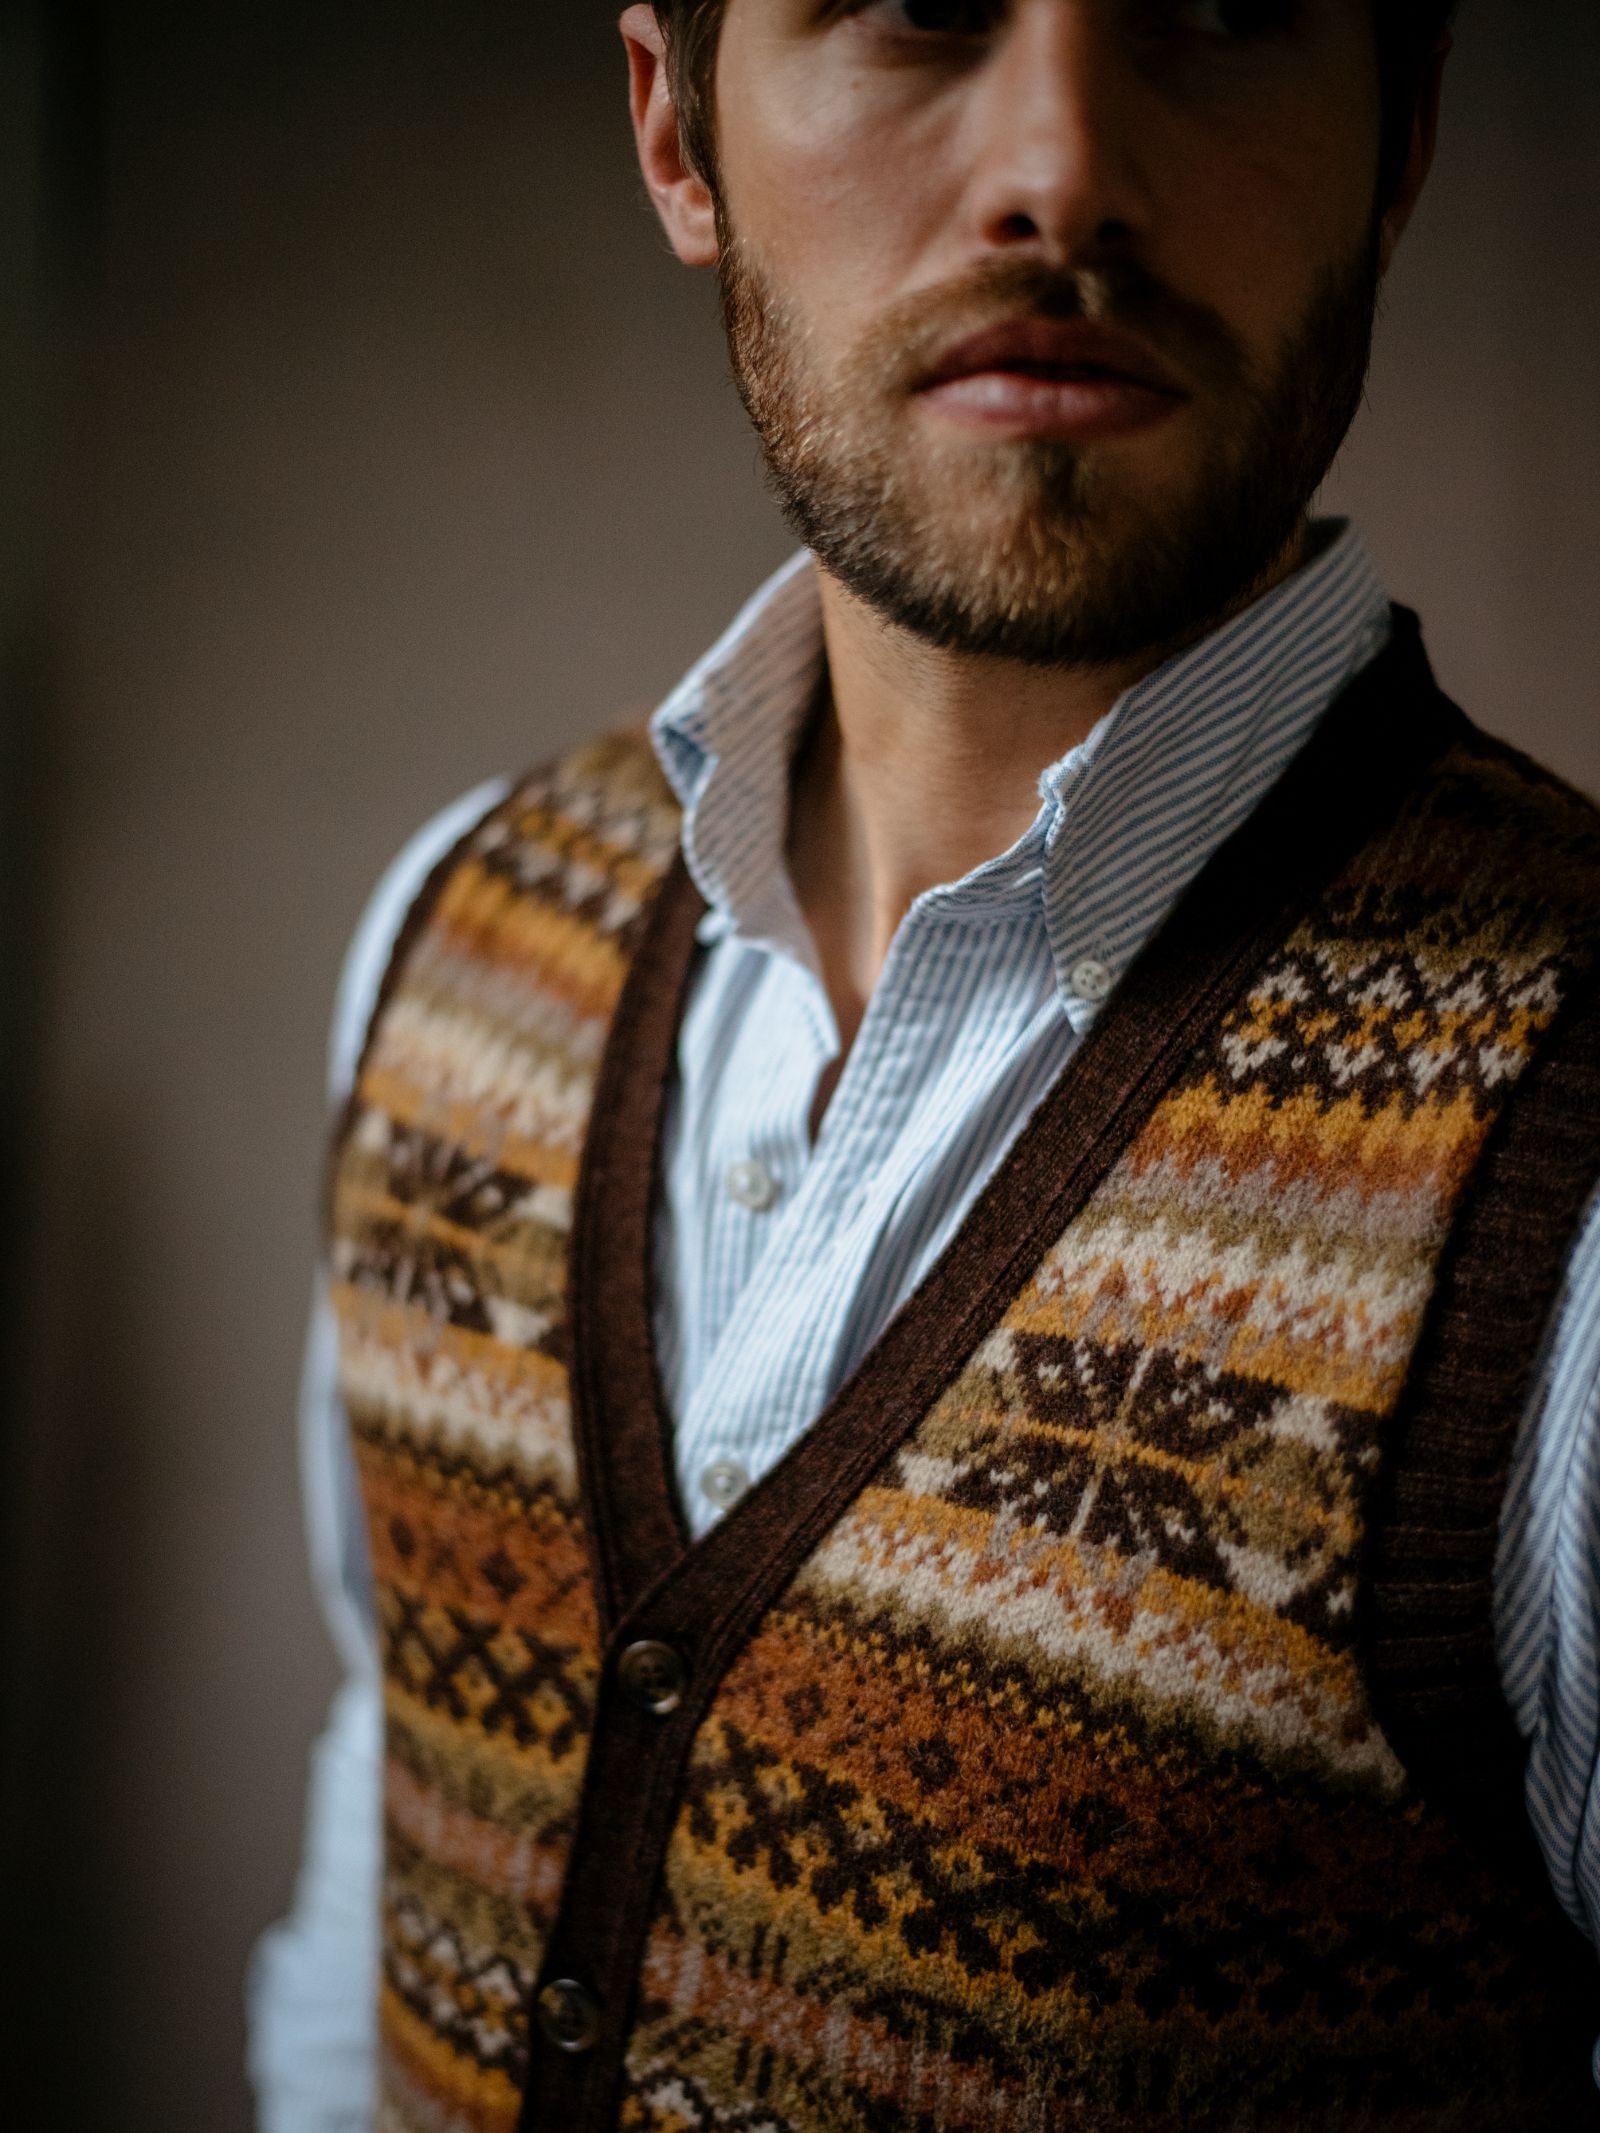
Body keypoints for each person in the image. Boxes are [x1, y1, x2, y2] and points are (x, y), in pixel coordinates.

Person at [249, 2, 1600, 2128]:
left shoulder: (1575, 1174)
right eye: (909, 10)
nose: (1058, 166)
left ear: (1397, 142)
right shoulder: (452, 934)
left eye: (1222, 13)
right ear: (674, 129)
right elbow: (395, 1795)